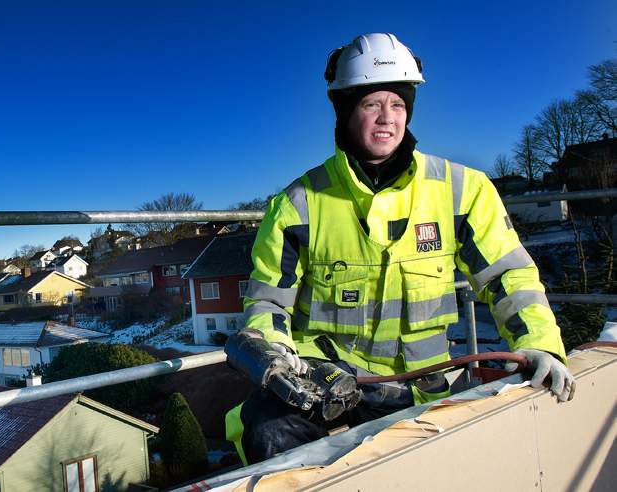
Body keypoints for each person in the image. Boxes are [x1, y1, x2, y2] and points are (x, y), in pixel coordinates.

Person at [224, 32, 575, 465]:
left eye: (398, 104)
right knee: (266, 427)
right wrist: (277, 360)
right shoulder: (299, 203)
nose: (386, 118)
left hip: (426, 388)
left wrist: (539, 342)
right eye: (371, 104)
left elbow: (508, 278)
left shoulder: (464, 190)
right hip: (330, 385)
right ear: (346, 111)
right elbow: (267, 301)